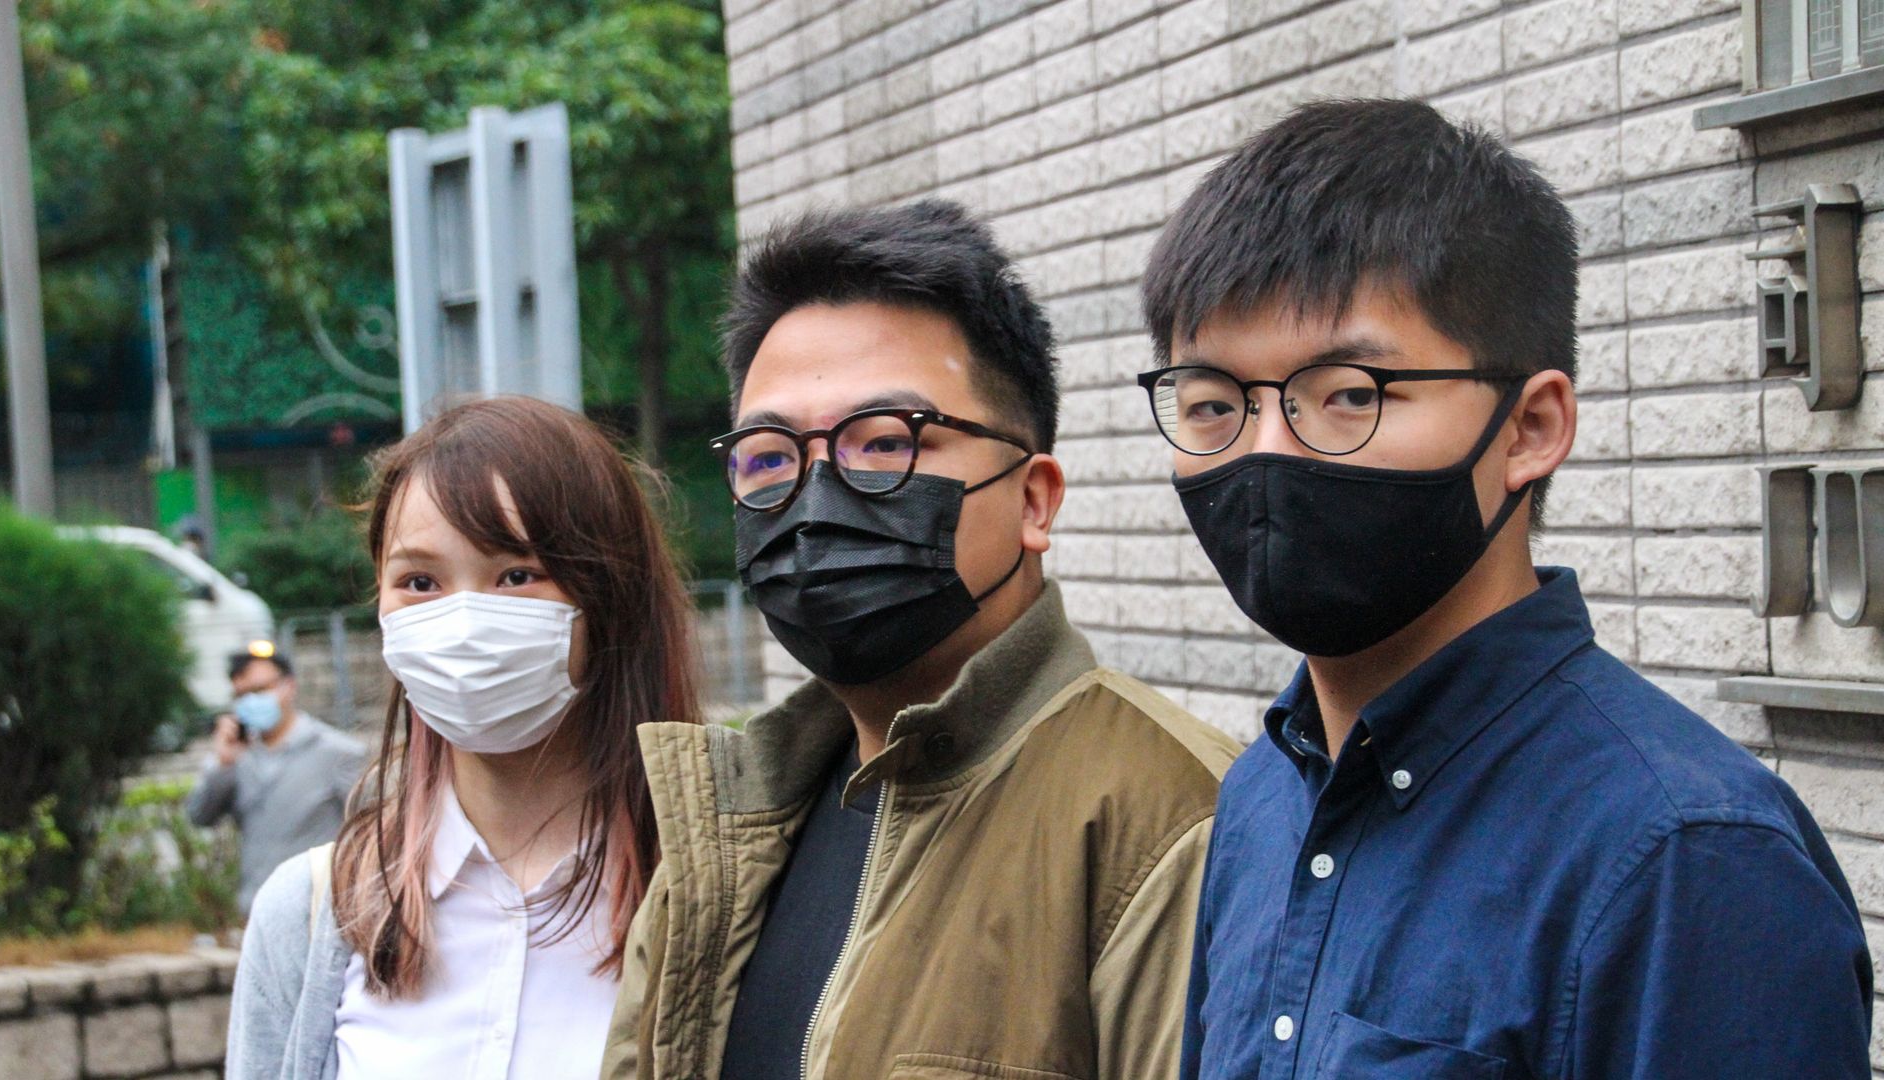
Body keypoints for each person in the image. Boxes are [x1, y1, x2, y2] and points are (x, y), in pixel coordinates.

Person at [1142, 98, 1873, 1078]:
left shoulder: (1685, 856)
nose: (1267, 449)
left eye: (1350, 394)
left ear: (1530, 428)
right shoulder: (1262, 796)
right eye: (1213, 404)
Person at [604, 199, 1239, 1080]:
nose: (818, 496)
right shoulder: (729, 820)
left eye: (884, 442)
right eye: (771, 458)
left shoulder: (1174, 820)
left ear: (1033, 499)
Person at [225, 397, 701, 1080]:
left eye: (516, 575)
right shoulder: (309, 918)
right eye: (419, 582)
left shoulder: (715, 902)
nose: (464, 619)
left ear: (610, 599)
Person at [186, 643, 366, 914]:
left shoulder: (337, 753)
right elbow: (199, 816)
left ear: (288, 686)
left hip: (322, 909)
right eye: (241, 695)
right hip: (258, 908)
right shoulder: (236, 756)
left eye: (260, 690)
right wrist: (223, 764)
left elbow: (370, 830)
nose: (251, 701)